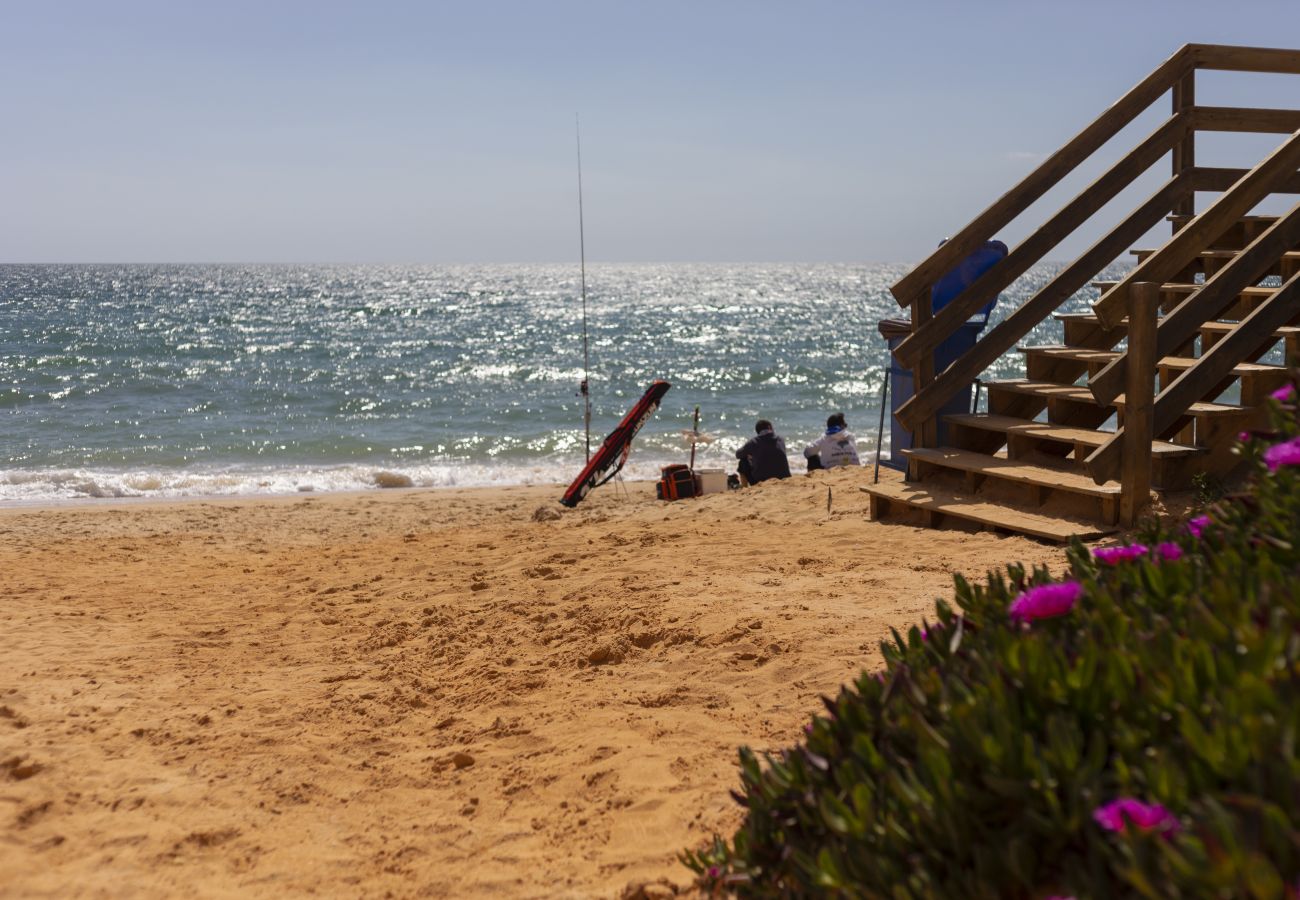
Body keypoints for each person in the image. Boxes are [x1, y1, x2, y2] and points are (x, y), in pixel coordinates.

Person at [735, 419, 791, 486]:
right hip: (784, 477)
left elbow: (738, 454)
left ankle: (744, 488)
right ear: (770, 427)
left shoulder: (754, 442)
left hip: (762, 480)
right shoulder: (780, 439)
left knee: (743, 462)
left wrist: (749, 455)